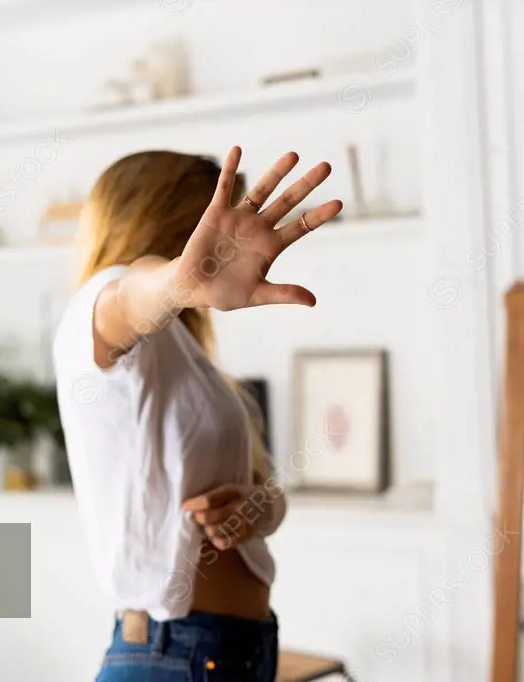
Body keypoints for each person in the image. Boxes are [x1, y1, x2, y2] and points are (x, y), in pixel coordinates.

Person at [53, 146, 341, 681]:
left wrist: (259, 508)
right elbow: (129, 295)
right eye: (214, 217)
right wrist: (178, 284)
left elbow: (264, 496)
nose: (231, 233)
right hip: (174, 655)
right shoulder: (100, 306)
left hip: (233, 651)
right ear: (167, 220)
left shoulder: (188, 361)